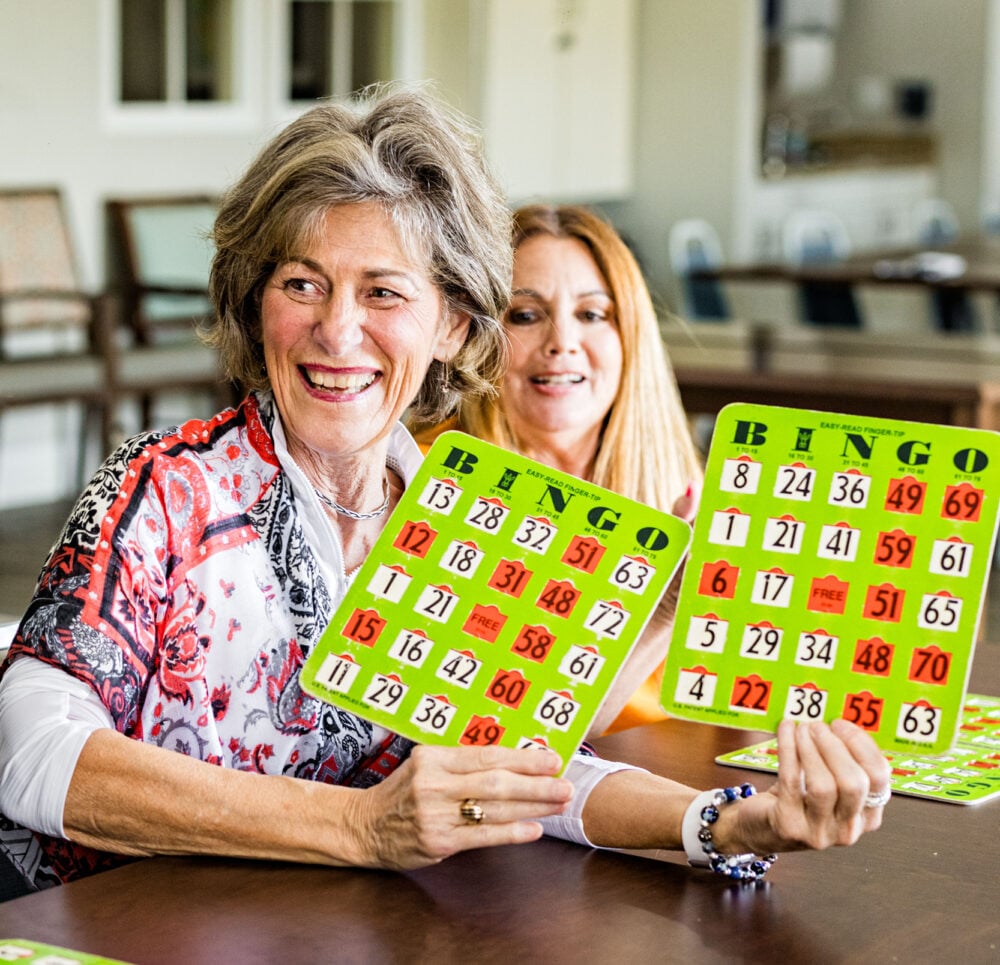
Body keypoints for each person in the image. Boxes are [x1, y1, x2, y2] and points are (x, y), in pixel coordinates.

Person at [0, 86, 889, 897]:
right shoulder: (162, 487)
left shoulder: (468, 515)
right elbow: (30, 752)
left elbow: (512, 773)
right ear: (255, 300)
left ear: (453, 322)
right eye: (301, 283)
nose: (336, 330)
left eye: (383, 291)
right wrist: (357, 826)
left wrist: (730, 821)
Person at [413, 203, 701, 736]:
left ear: (630, 335)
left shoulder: (682, 484)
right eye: (524, 315)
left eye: (592, 315)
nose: (561, 342)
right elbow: (512, 734)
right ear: (479, 337)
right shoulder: (433, 484)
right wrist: (665, 610)